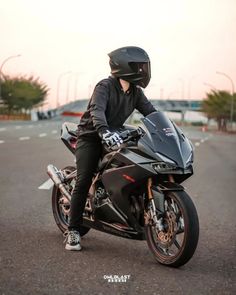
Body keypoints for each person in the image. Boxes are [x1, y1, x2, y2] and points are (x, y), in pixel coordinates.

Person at [64, 46, 157, 250]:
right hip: (91, 136)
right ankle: (72, 230)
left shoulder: (135, 92)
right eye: (139, 66)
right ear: (125, 66)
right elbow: (97, 111)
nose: (143, 71)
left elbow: (151, 113)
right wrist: (104, 131)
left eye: (144, 67)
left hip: (116, 135)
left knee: (137, 164)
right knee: (84, 179)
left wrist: (167, 129)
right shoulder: (104, 86)